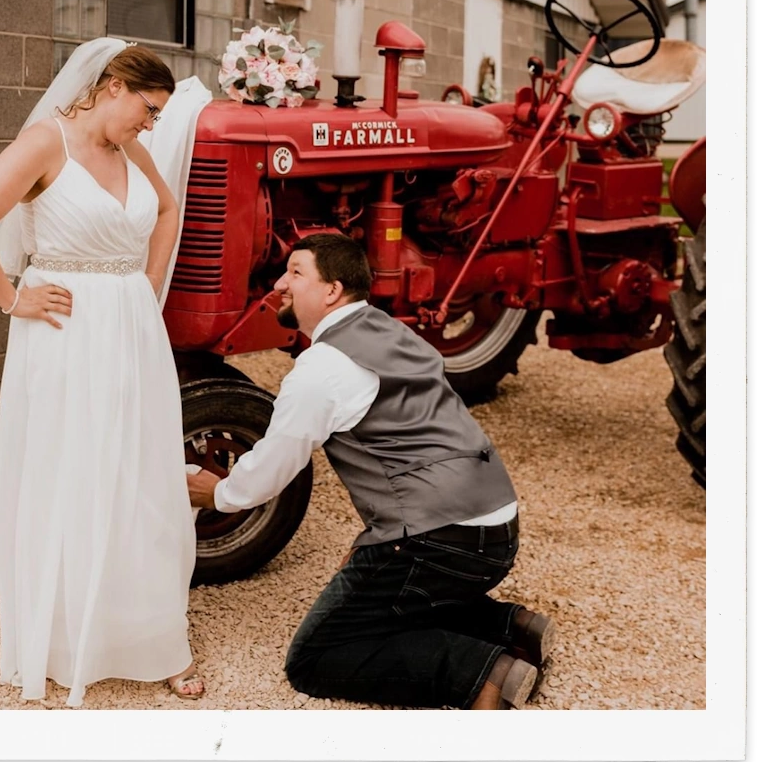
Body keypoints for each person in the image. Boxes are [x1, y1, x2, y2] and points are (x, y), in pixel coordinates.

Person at [186, 233, 556, 710]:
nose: (279, 283)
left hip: (440, 538)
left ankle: (484, 675)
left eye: (296, 273)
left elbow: (275, 465)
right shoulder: (388, 331)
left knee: (317, 657)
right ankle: (514, 628)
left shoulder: (324, 367)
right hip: (496, 525)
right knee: (386, 600)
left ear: (332, 291)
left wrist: (216, 494)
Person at [0, 38, 211, 706]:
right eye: (147, 109)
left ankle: (145, 634)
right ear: (112, 85)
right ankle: (67, 637)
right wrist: (13, 298)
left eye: (157, 116)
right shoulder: (45, 144)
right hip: (63, 331)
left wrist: (147, 284)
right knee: (71, 469)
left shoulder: (132, 153)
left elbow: (166, 208)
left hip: (129, 327)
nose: (149, 125)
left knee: (138, 469)